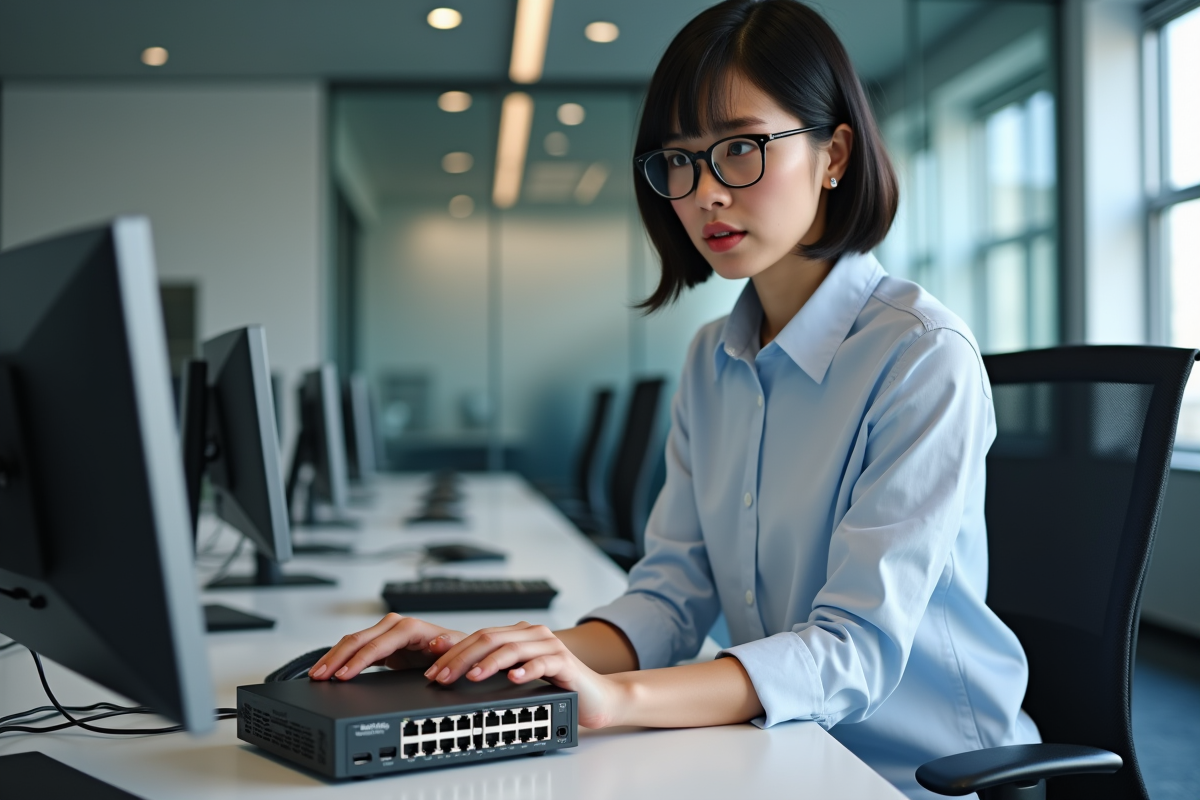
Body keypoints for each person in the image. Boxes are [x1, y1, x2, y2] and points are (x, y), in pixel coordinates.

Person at [308, 1, 1039, 795]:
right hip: (777, 746)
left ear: (834, 155)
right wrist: (493, 654)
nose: (703, 194)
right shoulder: (712, 358)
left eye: (740, 150)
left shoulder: (920, 354)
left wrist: (615, 700)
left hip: (913, 769)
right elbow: (672, 596)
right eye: (679, 161)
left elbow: (851, 648)